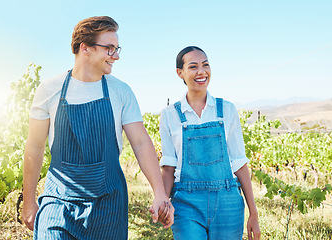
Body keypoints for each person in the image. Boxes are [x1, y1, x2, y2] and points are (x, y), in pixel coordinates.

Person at [22, 16, 173, 239]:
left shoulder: (120, 92)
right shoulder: (49, 90)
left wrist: (159, 192)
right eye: (110, 49)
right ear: (85, 48)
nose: (117, 56)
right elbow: (34, 148)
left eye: (117, 48)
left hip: (108, 205)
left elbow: (140, 143)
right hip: (58, 202)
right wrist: (28, 201)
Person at [160, 46, 261, 240]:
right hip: (186, 202)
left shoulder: (227, 110)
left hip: (227, 200)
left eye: (205, 65)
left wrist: (253, 213)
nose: (201, 71)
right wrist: (165, 203)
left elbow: (240, 164)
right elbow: (168, 167)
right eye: (193, 66)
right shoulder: (169, 115)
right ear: (180, 72)